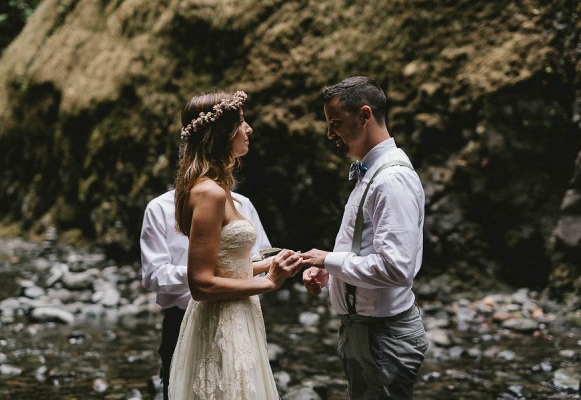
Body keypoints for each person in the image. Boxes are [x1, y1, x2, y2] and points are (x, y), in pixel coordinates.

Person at [168, 90, 302, 400]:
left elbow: (226, 266)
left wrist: (272, 264)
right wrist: (268, 283)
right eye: (241, 122)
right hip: (222, 322)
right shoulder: (209, 193)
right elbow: (200, 283)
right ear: (222, 132)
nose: (249, 129)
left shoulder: (217, 188)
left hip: (238, 315)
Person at [301, 76, 429, 400]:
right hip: (365, 333)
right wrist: (331, 272)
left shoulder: (392, 179)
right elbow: (363, 246)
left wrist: (328, 259)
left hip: (382, 337)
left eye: (335, 123)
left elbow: (398, 268)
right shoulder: (371, 172)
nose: (330, 134)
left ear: (364, 115)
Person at [140, 188, 272, 400]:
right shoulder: (159, 207)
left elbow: (261, 257)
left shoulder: (242, 203)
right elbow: (153, 275)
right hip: (181, 320)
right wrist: (201, 273)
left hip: (238, 320)